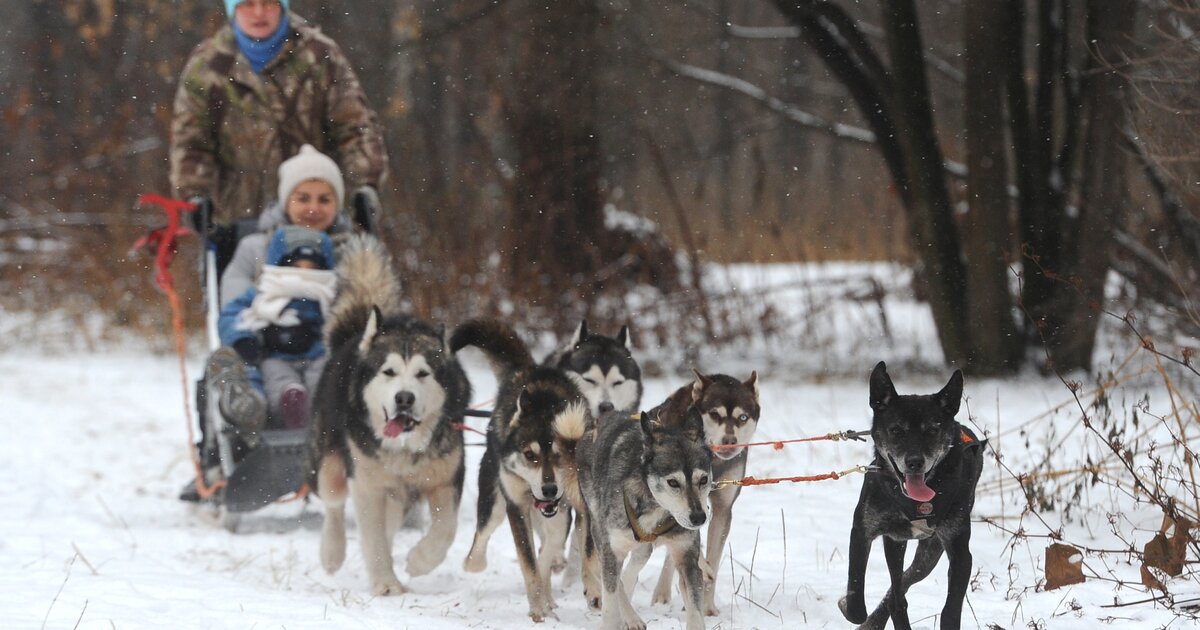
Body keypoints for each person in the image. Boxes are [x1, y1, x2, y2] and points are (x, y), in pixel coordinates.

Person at [169, 0, 387, 238]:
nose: (259, 13)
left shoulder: (320, 56)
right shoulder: (207, 65)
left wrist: (365, 186)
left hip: (317, 220)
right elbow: (191, 142)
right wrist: (193, 196)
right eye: (248, 4)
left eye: (269, 3)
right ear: (233, 8)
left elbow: (355, 128)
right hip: (235, 225)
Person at [203, 144, 352, 444]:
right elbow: (235, 307)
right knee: (248, 365)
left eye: (324, 199)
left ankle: (325, 414)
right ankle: (248, 407)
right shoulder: (255, 248)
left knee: (335, 374)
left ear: (338, 204)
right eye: (303, 198)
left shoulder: (352, 252)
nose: (313, 208)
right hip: (266, 350)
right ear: (286, 201)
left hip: (328, 352)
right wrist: (248, 339)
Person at [217, 225, 336, 433]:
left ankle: (323, 414)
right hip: (276, 355)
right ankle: (288, 405)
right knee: (276, 377)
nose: (303, 274)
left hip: (319, 353)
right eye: (297, 266)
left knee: (323, 378)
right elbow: (232, 314)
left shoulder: (329, 295)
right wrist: (241, 339)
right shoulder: (264, 292)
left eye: (311, 268)